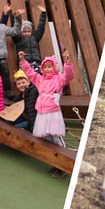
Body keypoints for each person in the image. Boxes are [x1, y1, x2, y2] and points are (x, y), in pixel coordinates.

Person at [19, 48, 74, 178]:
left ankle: (64, 163)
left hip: (53, 112)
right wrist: (22, 61)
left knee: (56, 138)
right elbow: (30, 73)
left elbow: (68, 76)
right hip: (42, 112)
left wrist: (67, 62)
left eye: (50, 66)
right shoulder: (40, 80)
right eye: (46, 67)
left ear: (54, 67)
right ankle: (55, 163)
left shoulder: (58, 79)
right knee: (46, 137)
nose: (48, 69)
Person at [0, 6, 22, 100]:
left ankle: (8, 92)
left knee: (5, 74)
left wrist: (17, 18)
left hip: (1, 55)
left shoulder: (2, 27)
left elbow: (15, 31)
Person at [11, 6, 47, 72]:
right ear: (21, 32)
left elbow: (40, 28)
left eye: (28, 31)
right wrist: (16, 16)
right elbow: (15, 29)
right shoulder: (19, 38)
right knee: (25, 79)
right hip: (24, 62)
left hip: (36, 62)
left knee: (37, 78)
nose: (27, 33)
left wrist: (43, 14)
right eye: (24, 31)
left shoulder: (34, 38)